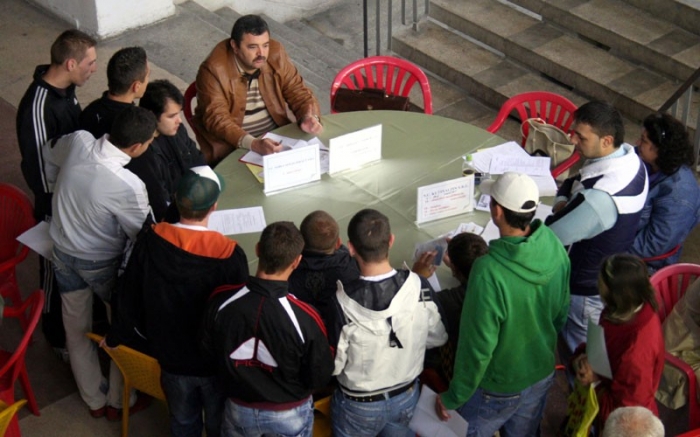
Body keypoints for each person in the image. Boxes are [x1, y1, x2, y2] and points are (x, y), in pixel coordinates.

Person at [106, 165, 248, 436]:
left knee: (182, 422)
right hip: (213, 362)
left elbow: (128, 293)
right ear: (214, 207)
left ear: (176, 200)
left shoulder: (150, 241)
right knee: (219, 423)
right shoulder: (229, 255)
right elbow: (237, 314)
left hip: (169, 357)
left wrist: (116, 336)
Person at [42, 106, 157, 420]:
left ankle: (93, 399)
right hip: (102, 262)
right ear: (136, 147)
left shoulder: (78, 141)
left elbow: (49, 152)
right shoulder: (128, 184)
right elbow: (141, 236)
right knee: (120, 329)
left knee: (75, 328)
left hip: (62, 252)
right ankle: (121, 400)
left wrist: (58, 188)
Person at [435, 172, 570, 437]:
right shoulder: (553, 244)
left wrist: (454, 396)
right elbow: (561, 313)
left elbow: (477, 347)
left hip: (499, 385)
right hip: (541, 370)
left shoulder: (487, 271)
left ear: (496, 211)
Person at [201, 221, 334, 437]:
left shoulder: (221, 302)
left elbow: (208, 352)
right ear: (296, 261)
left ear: (257, 249)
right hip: (289, 412)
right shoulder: (306, 317)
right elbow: (319, 374)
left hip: (238, 408)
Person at [15, 29, 98, 360]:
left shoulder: (67, 90)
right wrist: (62, 204)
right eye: (90, 63)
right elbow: (38, 169)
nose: (94, 69)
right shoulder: (37, 107)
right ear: (71, 63)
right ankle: (55, 336)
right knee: (52, 269)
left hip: (74, 194)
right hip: (55, 203)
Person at [330, 208, 448, 437]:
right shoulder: (420, 287)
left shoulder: (341, 303)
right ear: (391, 241)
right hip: (406, 395)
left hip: (358, 404)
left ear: (351, 248)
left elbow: (335, 365)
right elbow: (438, 337)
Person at [545, 101, 648, 353]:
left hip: (584, 289)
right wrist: (562, 201)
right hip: (605, 271)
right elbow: (575, 180)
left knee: (582, 357)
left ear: (606, 140)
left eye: (581, 136)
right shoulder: (630, 161)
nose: (572, 140)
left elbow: (552, 234)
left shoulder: (600, 197)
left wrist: (559, 208)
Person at [194, 14, 323, 166]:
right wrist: (254, 144)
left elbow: (298, 92)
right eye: (252, 47)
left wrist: (308, 116)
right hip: (234, 146)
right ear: (235, 46)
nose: (261, 53)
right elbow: (218, 119)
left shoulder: (276, 53)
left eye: (265, 45)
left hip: (277, 138)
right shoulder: (213, 69)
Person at [572, 254, 664, 432]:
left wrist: (594, 383)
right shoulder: (630, 307)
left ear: (617, 294)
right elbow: (605, 345)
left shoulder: (636, 353)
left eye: (600, 284)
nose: (597, 286)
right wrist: (582, 358)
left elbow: (626, 417)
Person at [126, 79, 206, 222]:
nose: (179, 120)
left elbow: (198, 160)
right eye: (171, 116)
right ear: (152, 116)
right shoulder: (143, 154)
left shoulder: (177, 130)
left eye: (179, 113)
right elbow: (161, 205)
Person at [412, 232, 488, 383]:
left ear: (454, 269)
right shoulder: (497, 284)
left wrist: (417, 278)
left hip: (460, 369)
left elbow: (416, 308)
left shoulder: (448, 301)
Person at [630, 113, 700, 271]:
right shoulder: (646, 160)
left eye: (644, 141)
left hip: (644, 264)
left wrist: (608, 247)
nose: (637, 143)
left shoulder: (679, 195)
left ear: (661, 150)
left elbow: (651, 245)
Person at [288, 210, 360, 327]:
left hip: (301, 327)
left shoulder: (288, 269)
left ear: (301, 241)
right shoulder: (353, 268)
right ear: (338, 243)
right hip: (341, 328)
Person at [79, 46, 150, 138]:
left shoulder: (90, 110)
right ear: (136, 86)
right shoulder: (133, 125)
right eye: (148, 76)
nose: (148, 81)